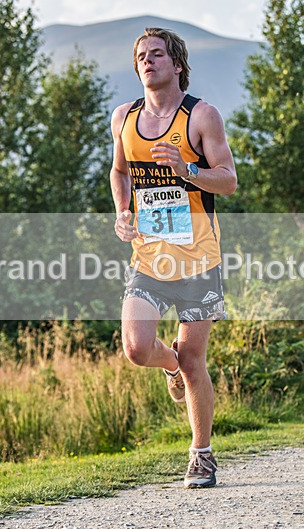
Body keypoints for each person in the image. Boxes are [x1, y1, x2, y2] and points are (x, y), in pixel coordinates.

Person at [109, 27, 237, 488]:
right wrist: (123, 213)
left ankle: (201, 455)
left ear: (177, 64)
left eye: (157, 54)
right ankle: (169, 366)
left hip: (198, 257)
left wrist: (187, 170)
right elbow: (119, 171)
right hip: (149, 257)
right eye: (141, 55)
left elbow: (228, 180)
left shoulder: (202, 116)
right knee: (137, 348)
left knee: (195, 359)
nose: (148, 61)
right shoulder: (123, 118)